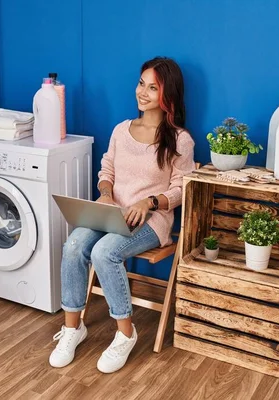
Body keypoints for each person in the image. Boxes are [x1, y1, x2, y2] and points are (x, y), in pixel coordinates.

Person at [49, 56, 196, 373]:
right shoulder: (121, 130)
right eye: (141, 84)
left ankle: (125, 333)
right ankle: (73, 329)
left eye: (152, 88)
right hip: (111, 212)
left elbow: (182, 188)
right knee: (74, 246)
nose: (142, 93)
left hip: (150, 222)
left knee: (104, 252)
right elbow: (107, 169)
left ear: (167, 95)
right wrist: (104, 193)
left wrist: (150, 203)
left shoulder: (180, 139)